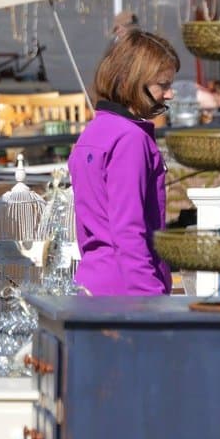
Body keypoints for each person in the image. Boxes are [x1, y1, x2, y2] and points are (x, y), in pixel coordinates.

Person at [68, 28, 180, 295]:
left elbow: (86, 229)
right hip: (127, 290)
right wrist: (149, 297)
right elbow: (129, 231)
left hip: (92, 282)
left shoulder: (92, 132)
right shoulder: (131, 139)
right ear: (134, 82)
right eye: (163, 85)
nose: (170, 94)